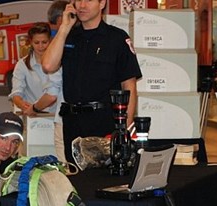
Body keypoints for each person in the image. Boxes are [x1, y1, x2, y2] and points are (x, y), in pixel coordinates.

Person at [42, 0, 142, 164]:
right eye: (78, 0)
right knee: (76, 180)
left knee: (103, 179)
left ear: (102, 3)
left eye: (88, 0)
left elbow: (129, 86)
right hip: (73, 122)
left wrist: (125, 129)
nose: (81, 5)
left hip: (104, 122)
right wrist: (64, 28)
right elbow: (48, 65)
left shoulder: (117, 38)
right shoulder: (68, 36)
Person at [8, 22, 66, 162]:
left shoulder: (60, 61)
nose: (41, 46)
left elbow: (53, 96)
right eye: (37, 42)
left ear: (50, 41)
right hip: (33, 120)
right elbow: (16, 94)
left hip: (57, 119)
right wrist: (25, 106)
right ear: (30, 43)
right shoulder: (22, 65)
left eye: (44, 42)